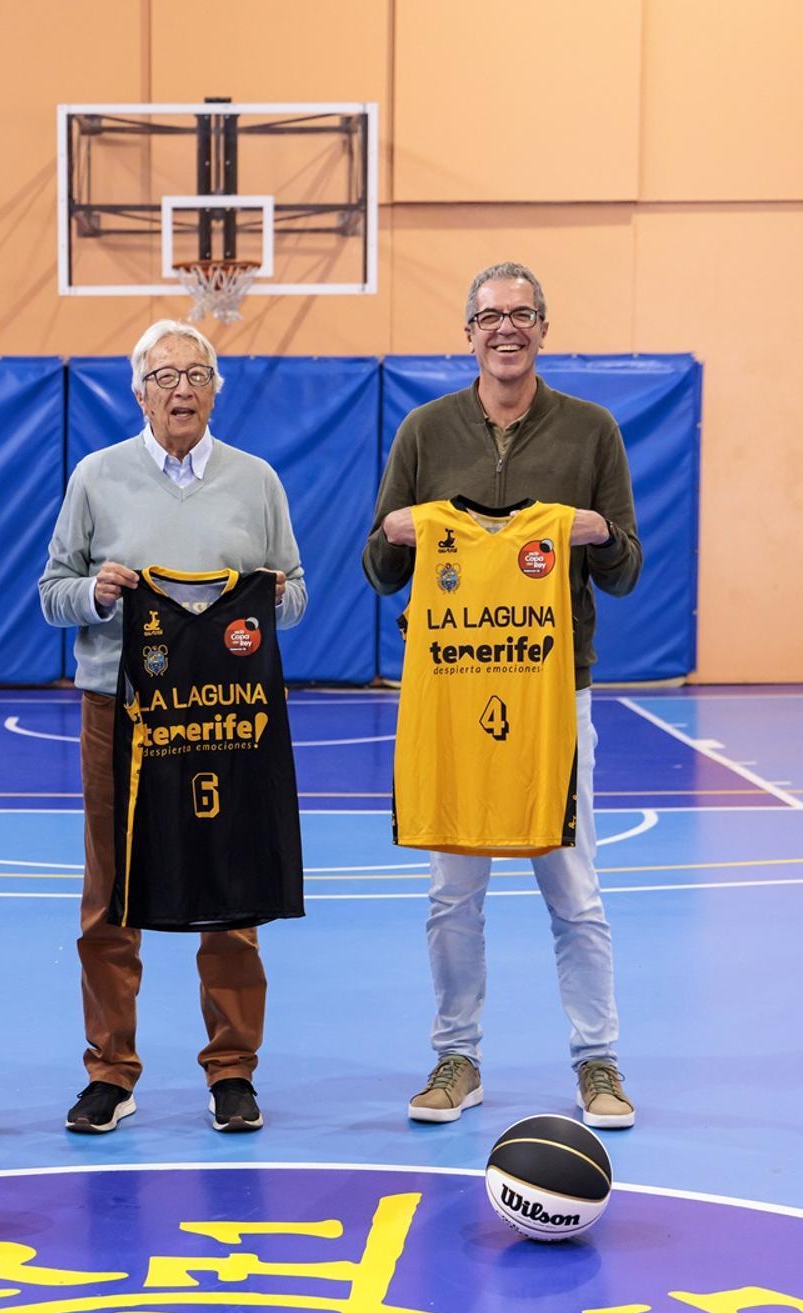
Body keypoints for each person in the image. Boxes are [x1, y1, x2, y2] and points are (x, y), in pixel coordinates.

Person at [363, 261, 642, 1129]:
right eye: (491, 317)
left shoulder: (592, 431)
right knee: (454, 891)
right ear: (469, 333)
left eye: (523, 315)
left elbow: (627, 569)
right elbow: (377, 568)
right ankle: (457, 1058)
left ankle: (599, 1063)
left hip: (559, 695)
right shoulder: (423, 430)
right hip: (452, 698)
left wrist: (595, 536)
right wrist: (399, 533)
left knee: (574, 888)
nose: (507, 330)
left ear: (544, 329)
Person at [39, 319, 306, 1133]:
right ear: (138, 392)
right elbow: (53, 591)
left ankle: (232, 1071)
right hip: (118, 711)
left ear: (216, 388)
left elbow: (293, 595)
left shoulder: (257, 480)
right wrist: (97, 596)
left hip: (226, 717)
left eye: (196, 374)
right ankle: (111, 1072)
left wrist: (257, 597)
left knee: (231, 891)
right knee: (110, 893)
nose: (181, 388)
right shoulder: (96, 476)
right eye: (163, 376)